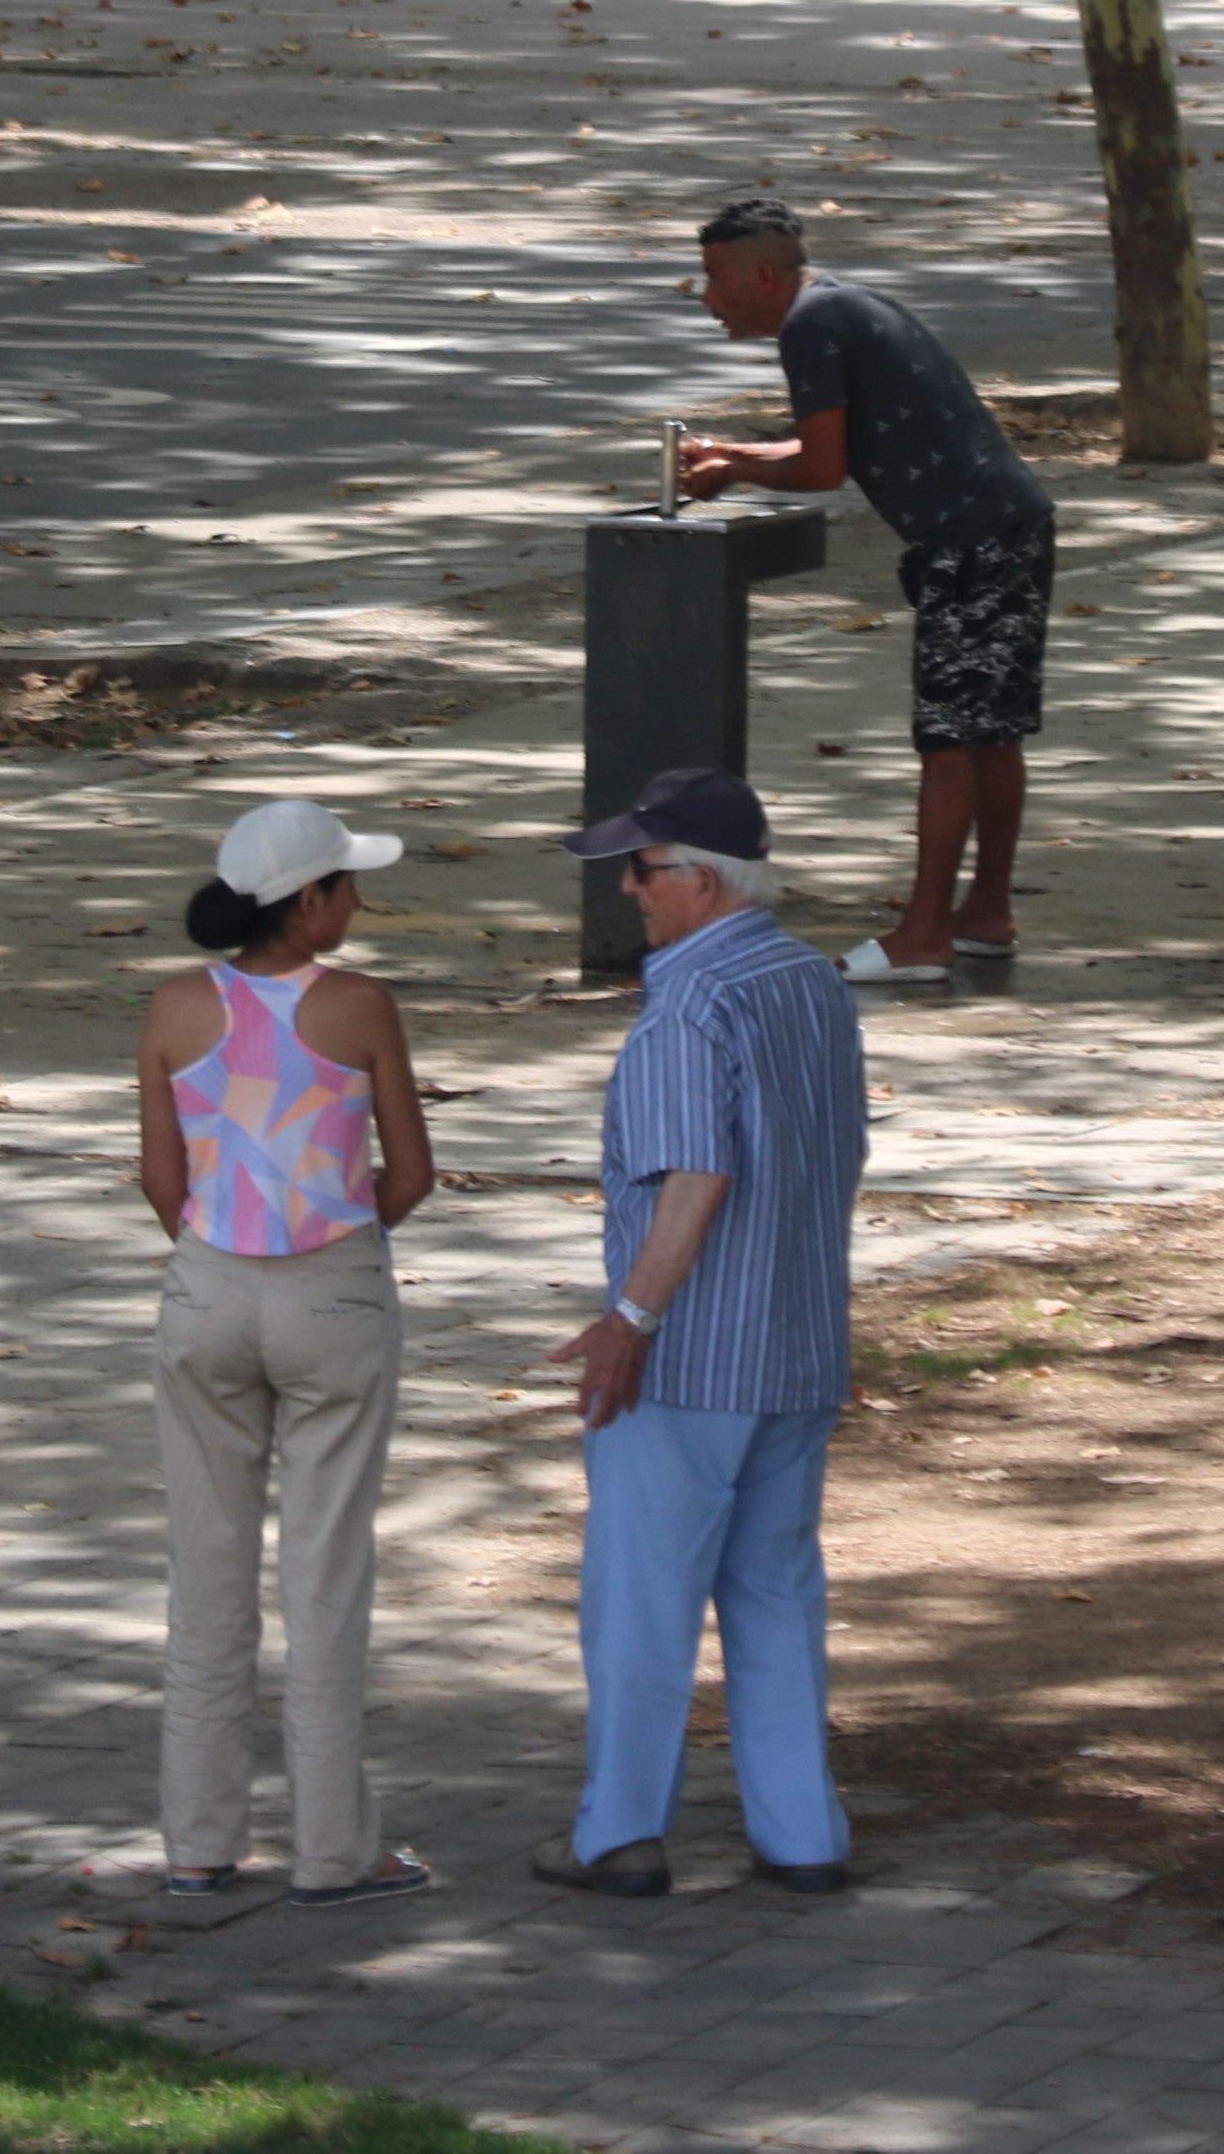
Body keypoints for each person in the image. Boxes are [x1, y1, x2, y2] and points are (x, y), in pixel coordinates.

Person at [535, 766, 867, 1899]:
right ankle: (802, 1832)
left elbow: (697, 1174)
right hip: (800, 1342)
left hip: (690, 1357)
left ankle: (619, 1829)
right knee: (775, 1591)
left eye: (643, 868)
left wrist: (631, 1315)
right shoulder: (812, 982)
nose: (628, 888)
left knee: (642, 1596)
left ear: (704, 881)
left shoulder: (689, 1003)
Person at [135, 796, 440, 1909]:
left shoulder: (175, 1006)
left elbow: (160, 1178)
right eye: (346, 885)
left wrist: (224, 1245)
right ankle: (331, 1851)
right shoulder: (360, 1007)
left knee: (205, 1573)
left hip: (204, 1287)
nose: (357, 900)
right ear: (304, 901)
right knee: (325, 1572)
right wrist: (332, 1251)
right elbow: (408, 1169)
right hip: (335, 1288)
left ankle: (197, 1843)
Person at [670, 198, 1054, 984]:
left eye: (713, 278)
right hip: (1011, 523)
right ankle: (984, 912)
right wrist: (731, 449)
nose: (704, 297)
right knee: (991, 732)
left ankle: (924, 936)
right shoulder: (838, 302)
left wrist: (735, 471)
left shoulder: (810, 327)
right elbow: (826, 441)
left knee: (950, 741)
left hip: (969, 542)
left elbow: (820, 470)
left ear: (762, 275)